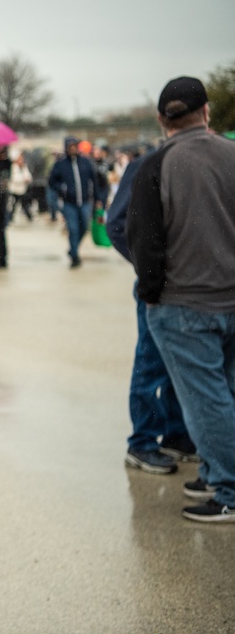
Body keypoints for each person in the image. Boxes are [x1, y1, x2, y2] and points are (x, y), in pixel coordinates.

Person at [128, 75, 235, 523]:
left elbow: (144, 242)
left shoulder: (155, 165)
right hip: (227, 297)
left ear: (161, 119)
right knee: (225, 391)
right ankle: (215, 472)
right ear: (206, 112)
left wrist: (152, 294)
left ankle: (228, 488)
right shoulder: (231, 154)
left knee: (207, 400)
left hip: (183, 302)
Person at [106, 147, 196, 475]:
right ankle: (142, 442)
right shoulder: (148, 165)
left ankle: (177, 434)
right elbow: (115, 224)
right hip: (157, 286)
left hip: (194, 288)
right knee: (151, 363)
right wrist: (150, 269)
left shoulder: (205, 161)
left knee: (180, 363)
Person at [48, 136, 104, 268]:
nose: (72, 148)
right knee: (73, 228)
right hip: (69, 203)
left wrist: (98, 199)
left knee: (84, 226)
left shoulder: (86, 162)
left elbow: (94, 182)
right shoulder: (60, 164)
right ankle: (74, 256)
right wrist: (62, 188)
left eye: (74, 146)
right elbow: (52, 181)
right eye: (70, 146)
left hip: (85, 201)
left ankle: (73, 248)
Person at [8, 151, 33, 222]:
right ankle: (9, 218)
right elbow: (14, 178)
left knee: (24, 205)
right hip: (15, 190)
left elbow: (29, 176)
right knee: (13, 205)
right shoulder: (13, 167)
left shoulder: (24, 167)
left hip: (23, 189)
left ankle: (30, 217)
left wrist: (27, 179)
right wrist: (23, 179)